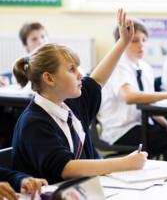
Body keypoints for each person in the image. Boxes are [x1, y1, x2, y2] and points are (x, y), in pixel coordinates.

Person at [11, 9, 148, 184]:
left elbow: (97, 80)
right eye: (71, 69)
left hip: (83, 190)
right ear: (49, 78)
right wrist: (124, 163)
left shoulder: (70, 103)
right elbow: (66, 168)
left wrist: (123, 43)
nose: (79, 74)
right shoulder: (34, 122)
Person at [98, 20, 167, 161]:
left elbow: (148, 103)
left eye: (144, 40)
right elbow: (129, 96)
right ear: (121, 43)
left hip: (142, 124)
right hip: (121, 130)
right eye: (134, 40)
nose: (141, 44)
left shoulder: (145, 67)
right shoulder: (117, 65)